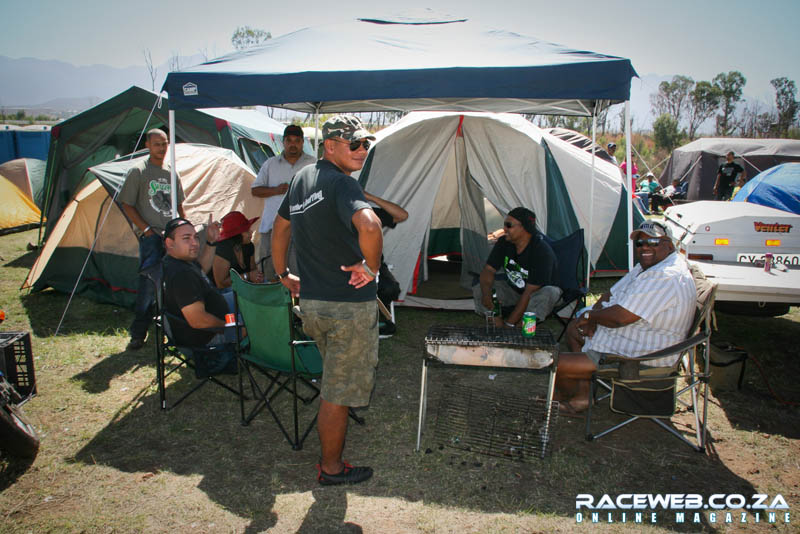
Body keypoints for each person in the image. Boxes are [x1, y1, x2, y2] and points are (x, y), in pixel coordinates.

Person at [272, 114, 383, 486]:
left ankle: (331, 455)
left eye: (366, 143)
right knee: (336, 392)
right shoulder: (340, 183)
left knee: (333, 382)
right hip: (347, 306)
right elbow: (370, 224)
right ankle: (331, 468)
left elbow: (280, 227)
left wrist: (282, 274)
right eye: (354, 144)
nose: (362, 150)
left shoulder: (303, 178)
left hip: (315, 304)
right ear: (330, 146)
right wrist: (372, 268)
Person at [555, 220, 696, 414]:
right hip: (629, 337)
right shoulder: (648, 266)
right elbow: (610, 294)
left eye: (653, 242)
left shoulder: (666, 276)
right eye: (640, 243)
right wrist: (591, 317)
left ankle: (567, 397)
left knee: (557, 363)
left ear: (669, 244)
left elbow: (620, 318)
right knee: (574, 329)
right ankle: (583, 396)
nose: (645, 247)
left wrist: (591, 317)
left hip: (642, 355)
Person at [118, 128, 186, 351]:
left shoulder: (171, 172)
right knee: (149, 287)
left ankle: (173, 331)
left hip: (172, 237)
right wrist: (146, 230)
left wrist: (184, 229)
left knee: (174, 286)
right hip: (152, 239)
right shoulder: (139, 171)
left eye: (165, 143)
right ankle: (138, 334)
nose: (161, 148)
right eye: (157, 143)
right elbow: (127, 204)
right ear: (147, 145)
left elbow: (179, 206)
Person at [473, 207, 562, 327]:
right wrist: (486, 294)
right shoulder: (504, 242)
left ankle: (520, 329)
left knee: (549, 292)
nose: (504, 229)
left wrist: (510, 324)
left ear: (524, 228)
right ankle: (497, 325)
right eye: (504, 224)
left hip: (535, 295)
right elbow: (488, 270)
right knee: (480, 287)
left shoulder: (541, 252)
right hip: (513, 290)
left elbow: (528, 293)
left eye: (509, 225)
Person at [251, 124, 316, 280]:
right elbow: (255, 190)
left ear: (302, 143)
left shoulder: (313, 164)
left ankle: (298, 304)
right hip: (272, 228)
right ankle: (273, 304)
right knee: (271, 272)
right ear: (283, 142)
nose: (293, 144)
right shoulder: (271, 164)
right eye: (289, 140)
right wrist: (276, 190)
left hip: (302, 230)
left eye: (297, 141)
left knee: (299, 275)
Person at [161, 217, 233, 348]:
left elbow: (201, 269)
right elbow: (198, 321)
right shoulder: (181, 274)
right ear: (170, 243)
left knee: (246, 297)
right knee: (256, 312)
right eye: (186, 238)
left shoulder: (175, 260)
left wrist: (211, 242)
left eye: (195, 237)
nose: (194, 243)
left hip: (212, 317)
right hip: (208, 338)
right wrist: (230, 324)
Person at [212, 211, 264, 289]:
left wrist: (258, 277)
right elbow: (221, 284)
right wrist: (247, 276)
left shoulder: (249, 246)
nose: (251, 232)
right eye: (246, 231)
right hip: (223, 293)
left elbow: (253, 270)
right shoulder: (222, 249)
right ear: (236, 235)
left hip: (242, 288)